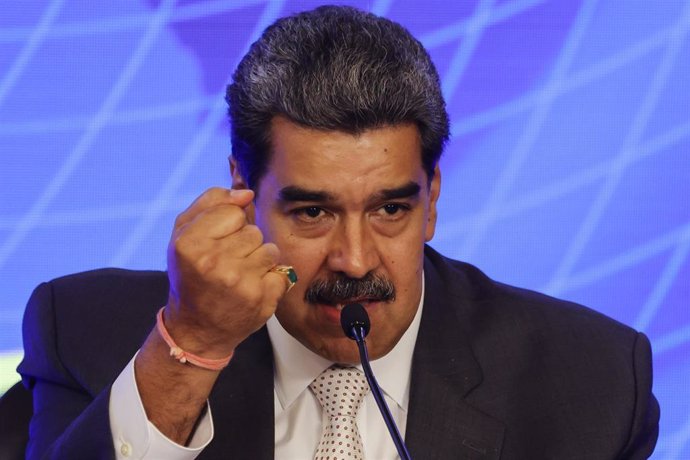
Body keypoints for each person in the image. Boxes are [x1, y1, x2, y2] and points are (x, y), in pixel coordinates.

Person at [18, 5, 659, 459]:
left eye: (390, 210)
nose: (353, 262)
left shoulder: (594, 382)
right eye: (312, 213)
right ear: (243, 194)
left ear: (431, 199)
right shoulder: (84, 332)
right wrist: (192, 347)